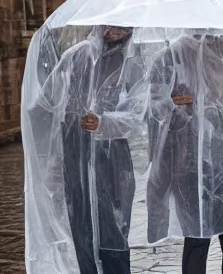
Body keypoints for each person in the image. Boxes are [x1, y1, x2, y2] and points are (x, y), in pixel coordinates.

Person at [25, 26, 145, 274]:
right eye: (110, 24)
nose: (113, 31)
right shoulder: (76, 55)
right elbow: (48, 101)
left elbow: (139, 113)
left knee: (114, 229)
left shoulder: (132, 62)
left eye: (122, 27)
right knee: (81, 228)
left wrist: (105, 122)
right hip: (76, 154)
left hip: (113, 159)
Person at [147, 33, 223, 274]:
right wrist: (177, 107)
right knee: (196, 239)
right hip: (191, 161)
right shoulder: (173, 56)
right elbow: (155, 105)